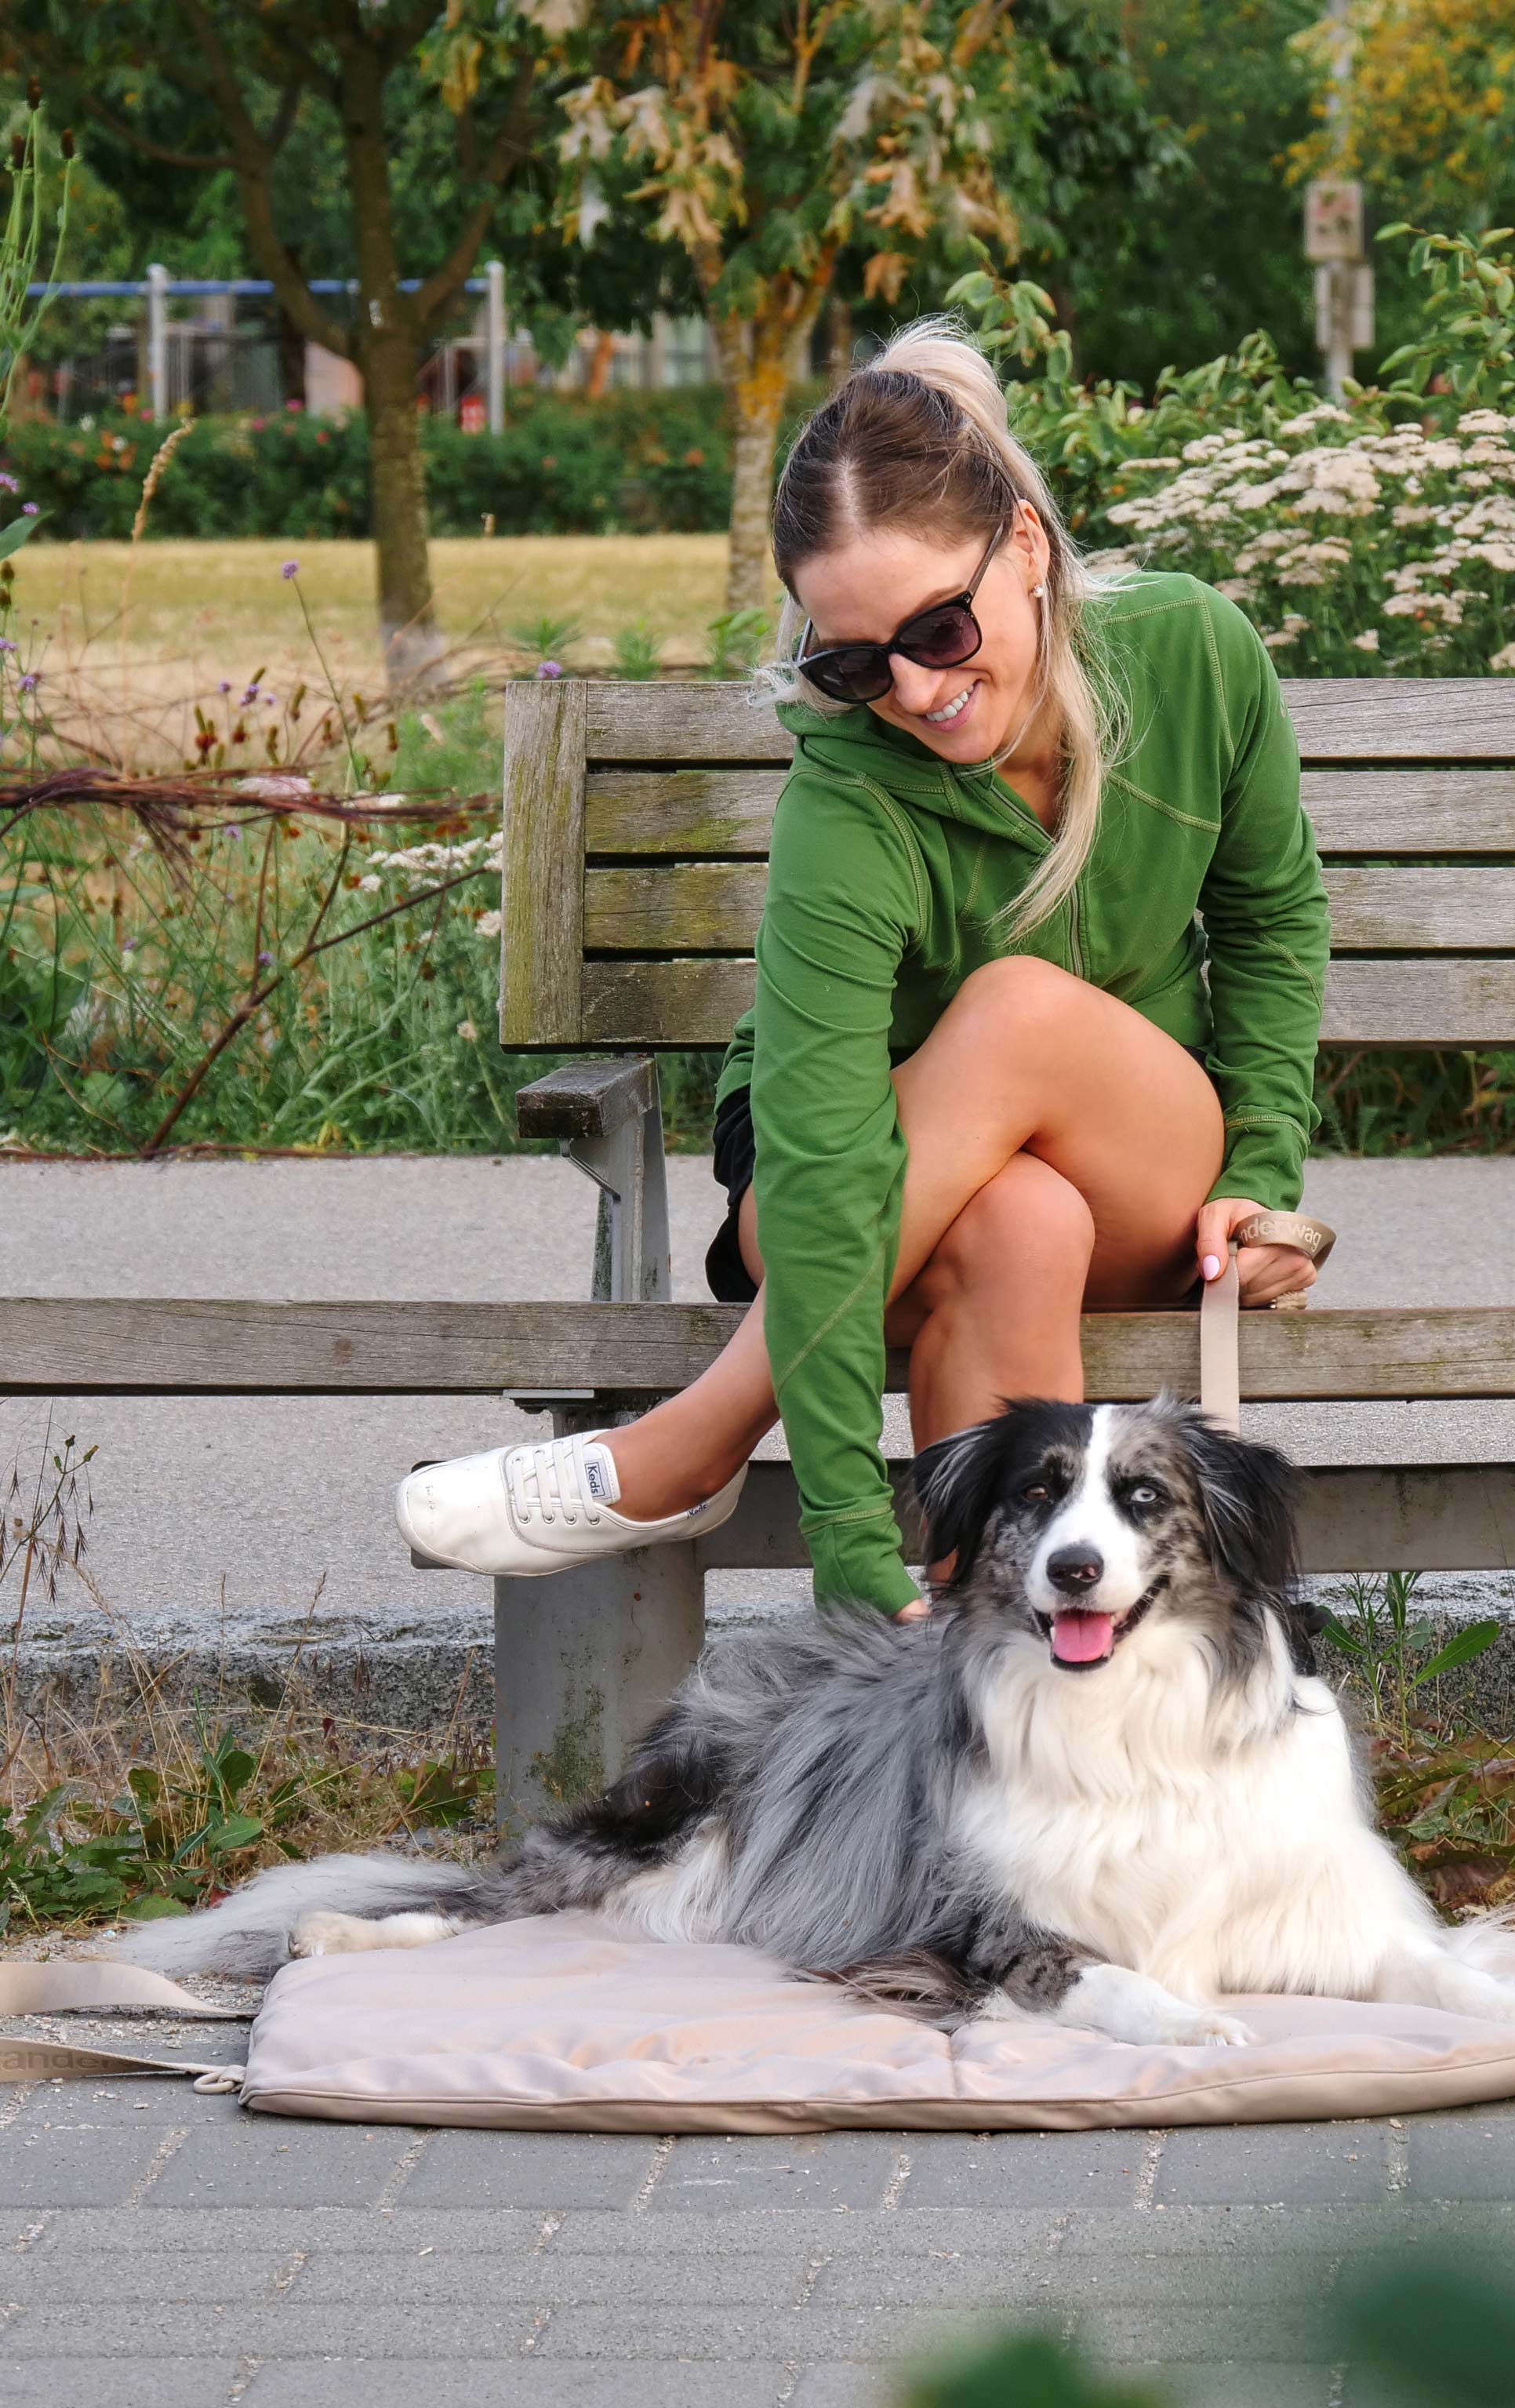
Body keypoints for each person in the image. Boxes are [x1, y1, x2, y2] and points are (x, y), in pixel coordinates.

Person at [395, 318, 1330, 1622]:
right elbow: (830, 1169)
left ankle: (698, 1434)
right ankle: (976, 1704)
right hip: (848, 1198)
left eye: (942, 628)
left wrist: (1263, 1168)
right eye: (853, 660)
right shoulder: (845, 795)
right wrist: (850, 1538)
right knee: (1017, 1217)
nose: (911, 688)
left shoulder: (1191, 655)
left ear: (1026, 546)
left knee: (1016, 1018)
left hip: (1146, 1170)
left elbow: (1275, 915)